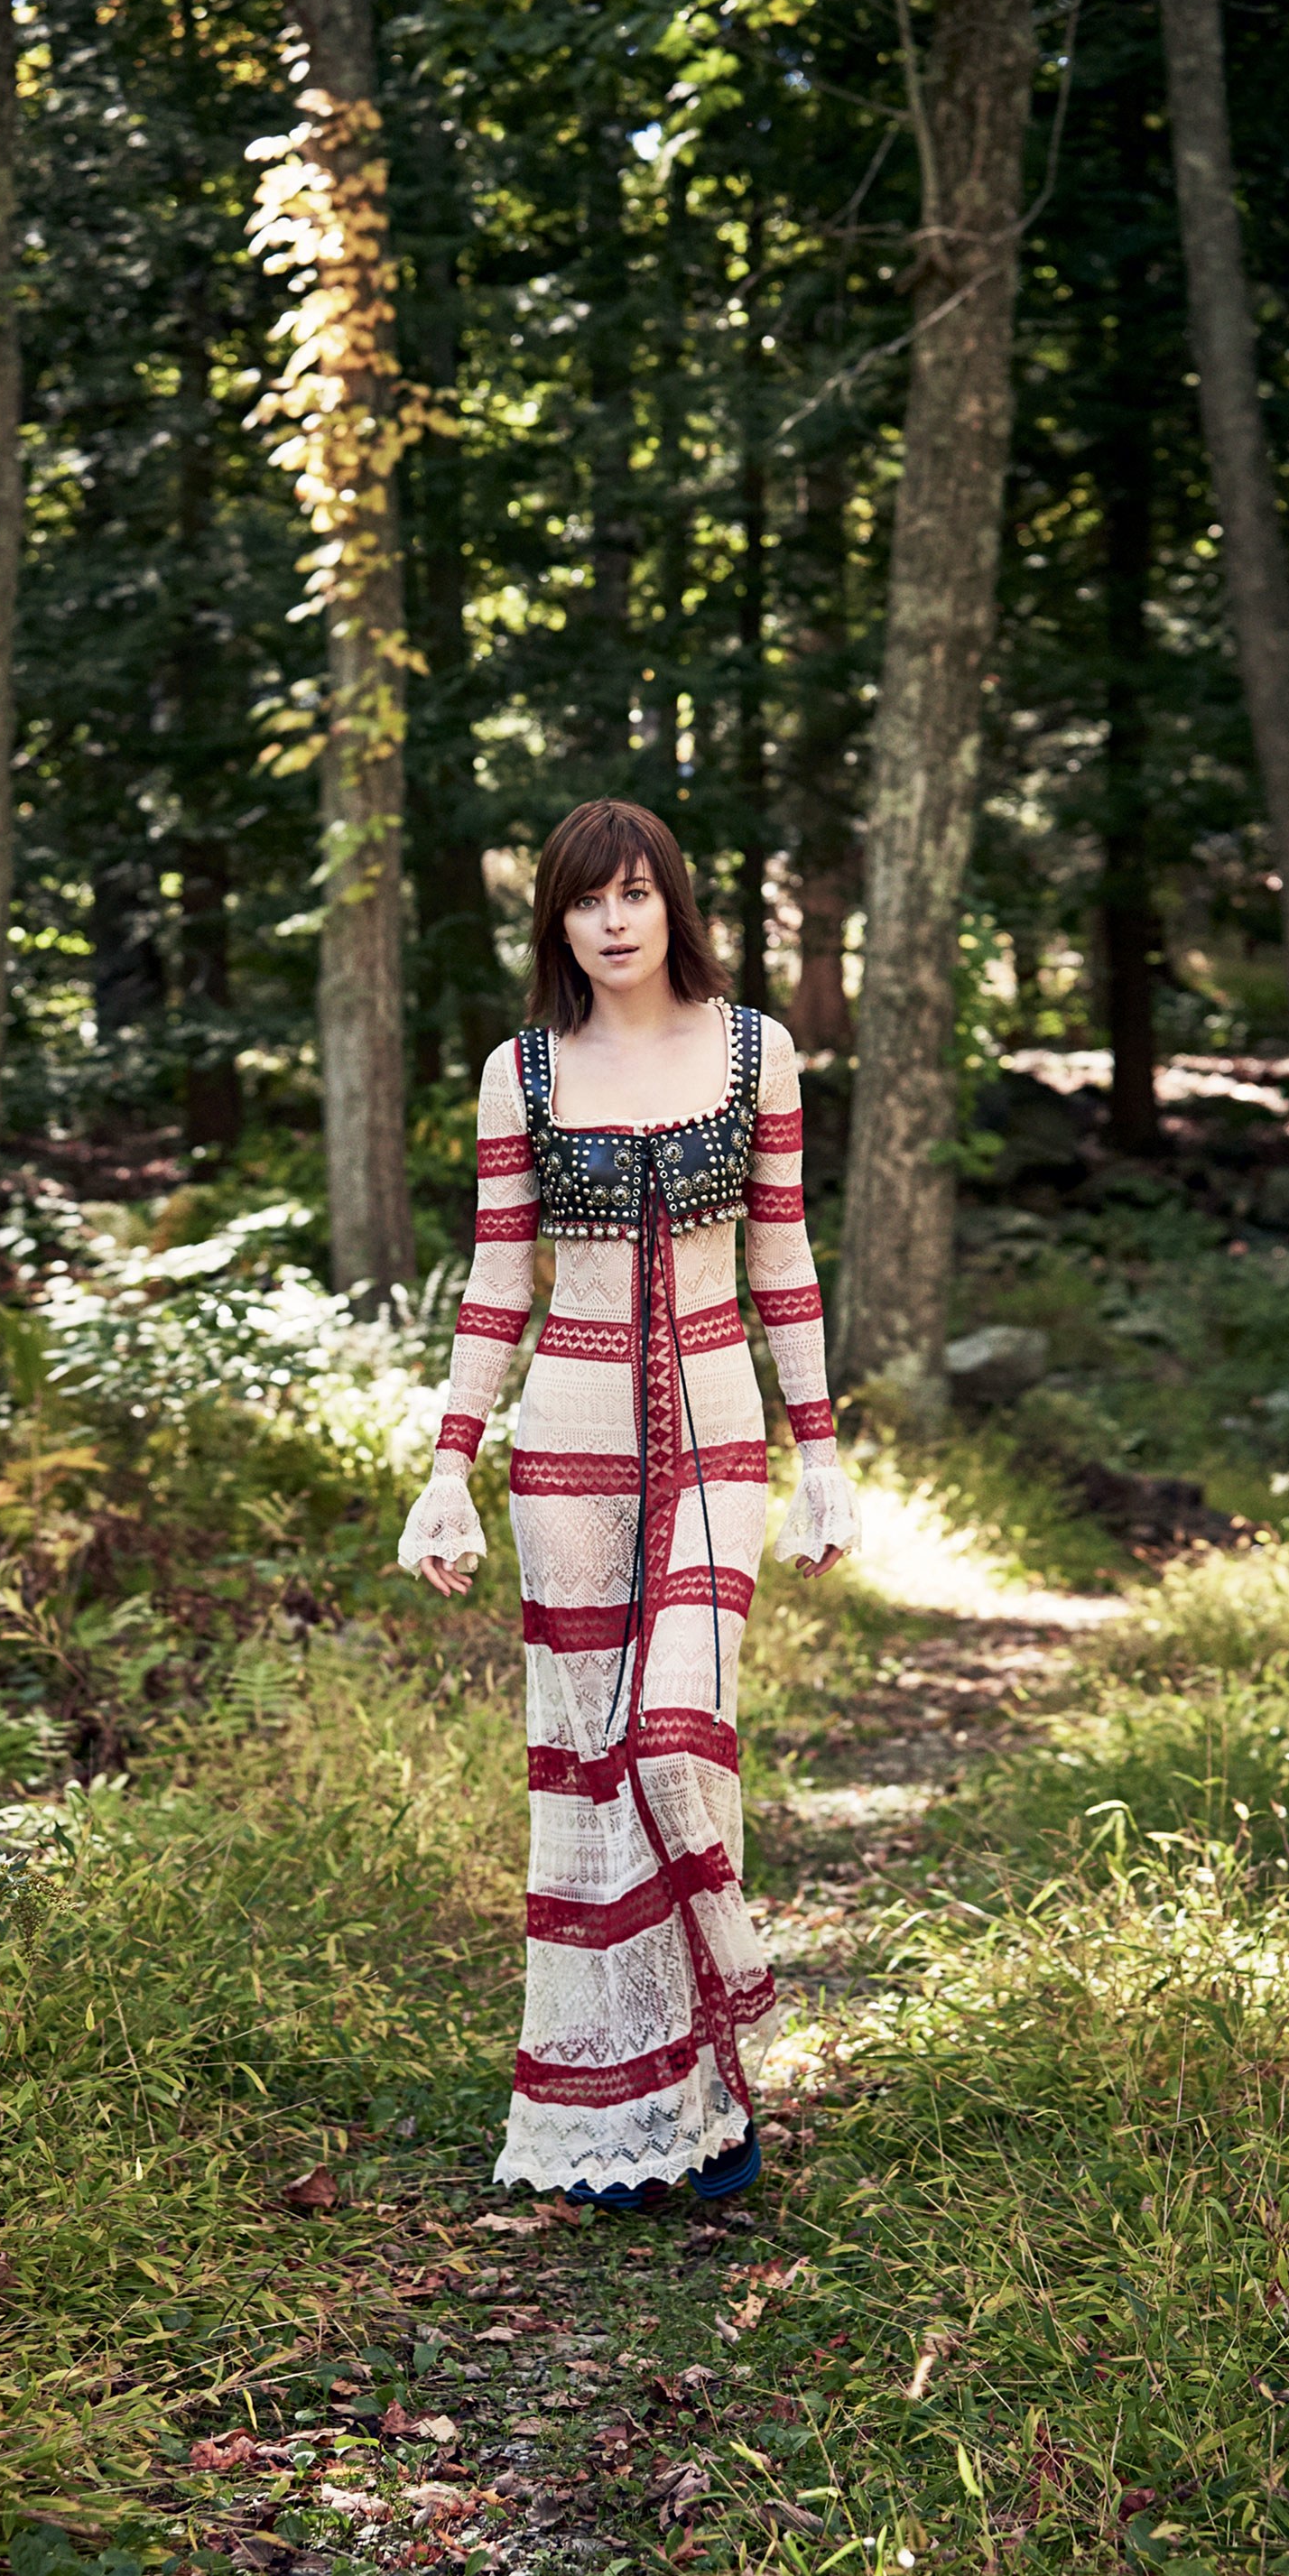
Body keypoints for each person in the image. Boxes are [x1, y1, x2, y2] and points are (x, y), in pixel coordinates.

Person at [398, 798, 860, 2209]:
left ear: (673, 905)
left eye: (634, 894)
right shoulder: (523, 1074)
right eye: (584, 900)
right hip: (568, 1452)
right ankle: (646, 2116)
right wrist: (447, 1467)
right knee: (592, 1773)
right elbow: (497, 1283)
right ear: (557, 921)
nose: (611, 922)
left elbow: (782, 1261)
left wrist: (821, 1455)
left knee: (671, 1748)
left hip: (718, 1442)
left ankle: (718, 2035)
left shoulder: (755, 1052)